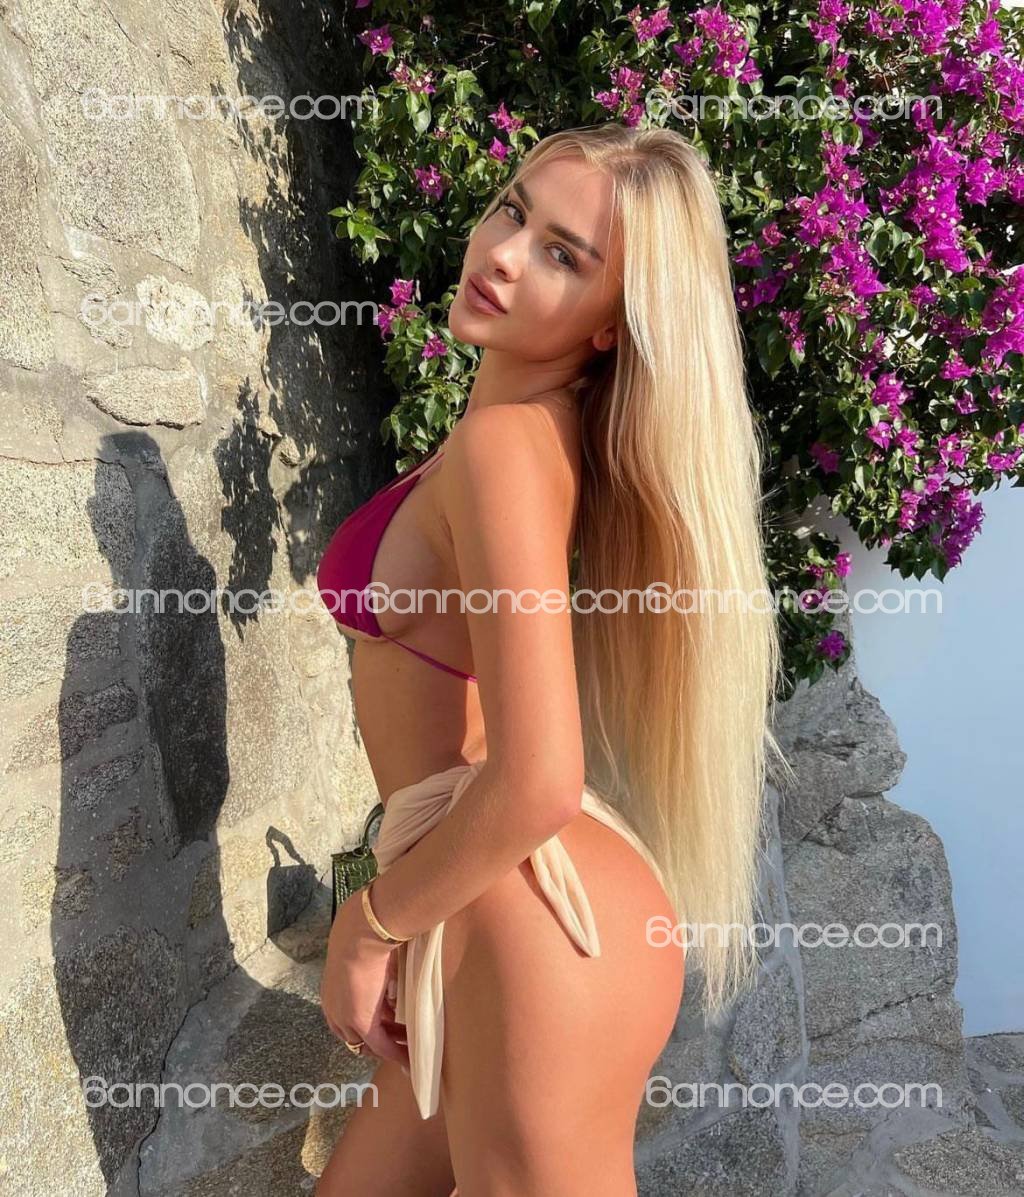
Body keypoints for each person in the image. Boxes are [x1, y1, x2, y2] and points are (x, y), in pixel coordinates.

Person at [315, 123, 787, 1196]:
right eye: (512, 211)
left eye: (562, 256)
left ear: (613, 323)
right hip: (499, 906)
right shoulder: (523, 436)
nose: (501, 254)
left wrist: (369, 924)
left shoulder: (505, 449)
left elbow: (537, 778)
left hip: (525, 922)